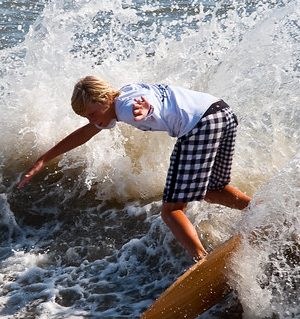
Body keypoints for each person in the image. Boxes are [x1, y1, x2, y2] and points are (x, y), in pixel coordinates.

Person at [18, 76, 250, 260]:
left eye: (92, 114)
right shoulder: (126, 93)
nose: (92, 121)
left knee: (171, 210)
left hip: (199, 125)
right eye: (86, 117)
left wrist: (146, 111)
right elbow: (85, 134)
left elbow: (147, 107)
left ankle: (201, 260)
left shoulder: (128, 107)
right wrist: (44, 158)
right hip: (222, 113)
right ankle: (259, 210)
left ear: (105, 99)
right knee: (211, 189)